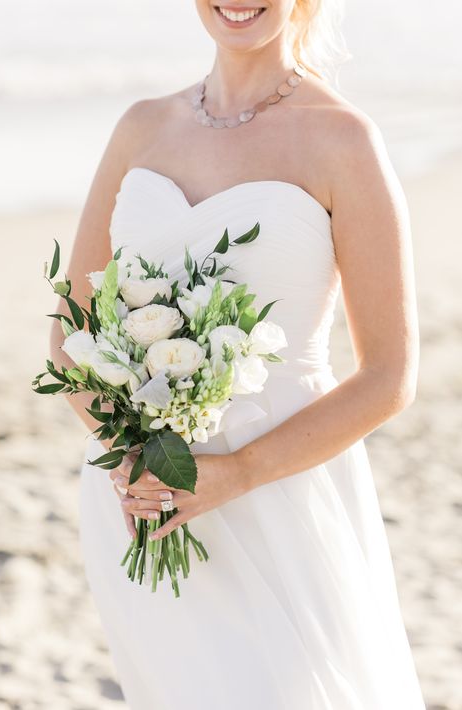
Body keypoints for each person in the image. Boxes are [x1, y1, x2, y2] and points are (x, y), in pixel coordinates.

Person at [50, 1, 428, 708]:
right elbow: (70, 332)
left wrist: (235, 473)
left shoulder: (343, 139)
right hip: (141, 498)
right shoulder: (140, 127)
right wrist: (131, 453)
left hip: (282, 487)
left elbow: (387, 377)